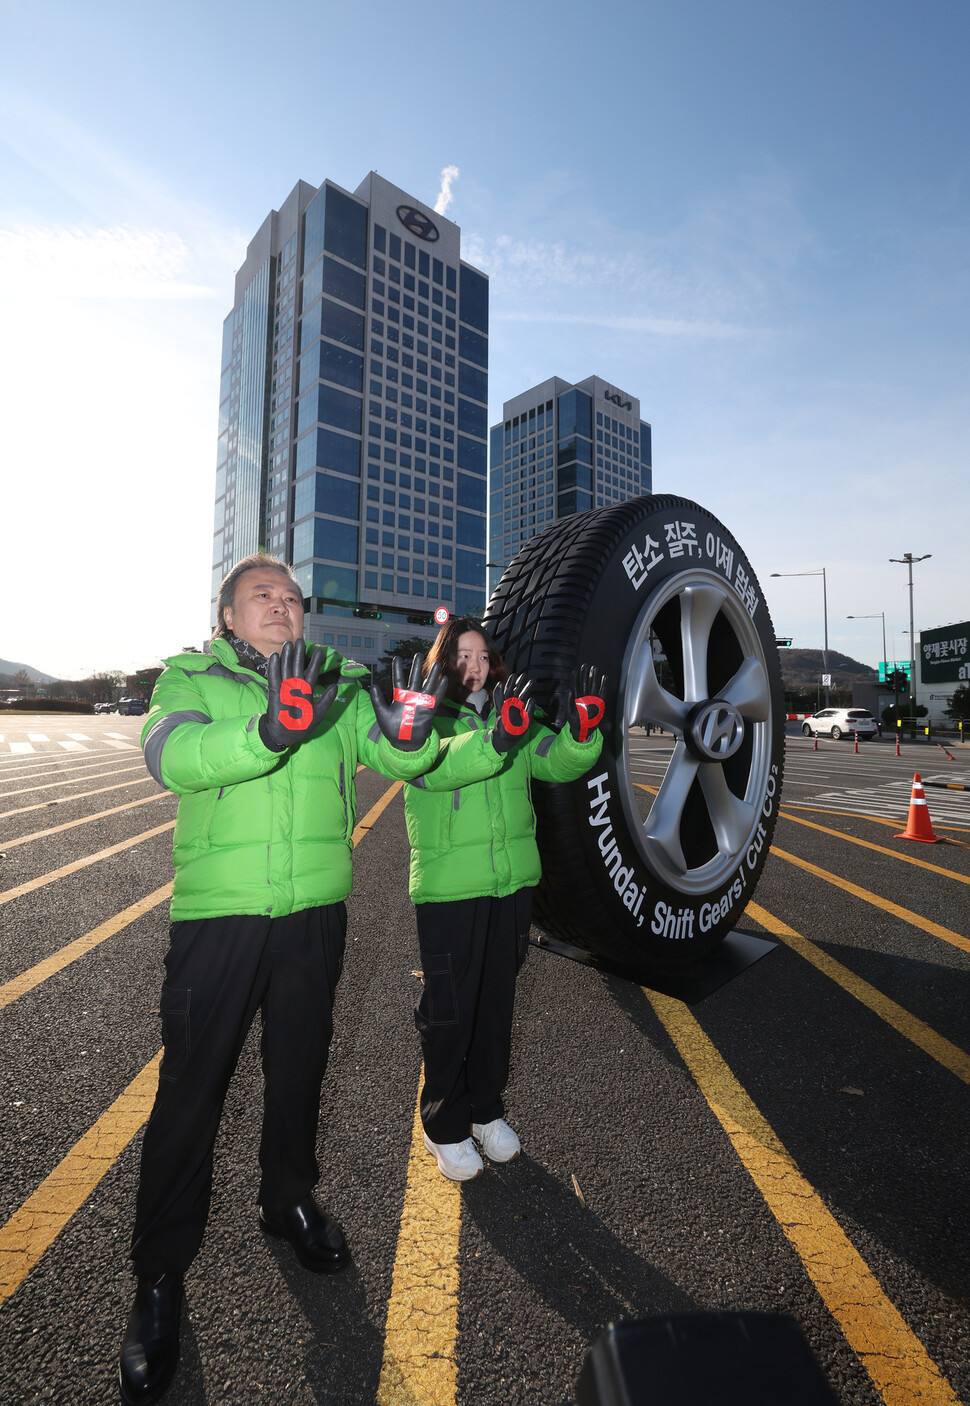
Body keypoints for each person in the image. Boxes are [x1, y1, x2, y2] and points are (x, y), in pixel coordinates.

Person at [119, 553, 447, 1406]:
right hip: (219, 916)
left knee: (298, 1075)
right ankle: (159, 1276)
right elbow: (173, 758)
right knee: (192, 1095)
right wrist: (266, 729)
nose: (281, 606)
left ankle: (288, 1202)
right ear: (227, 615)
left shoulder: (335, 683)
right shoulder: (190, 678)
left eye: (292, 598)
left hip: (314, 916)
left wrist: (412, 729)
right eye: (261, 595)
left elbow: (396, 756)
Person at [403, 618, 606, 1181]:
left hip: (511, 883)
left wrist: (582, 731)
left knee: (495, 1008)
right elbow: (432, 770)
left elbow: (556, 762)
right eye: (462, 655)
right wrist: (496, 741)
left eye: (483, 655)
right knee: (449, 1011)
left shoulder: (514, 711)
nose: (474, 664)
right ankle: (443, 1123)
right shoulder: (420, 718)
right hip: (450, 887)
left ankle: (486, 1110)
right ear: (443, 663)